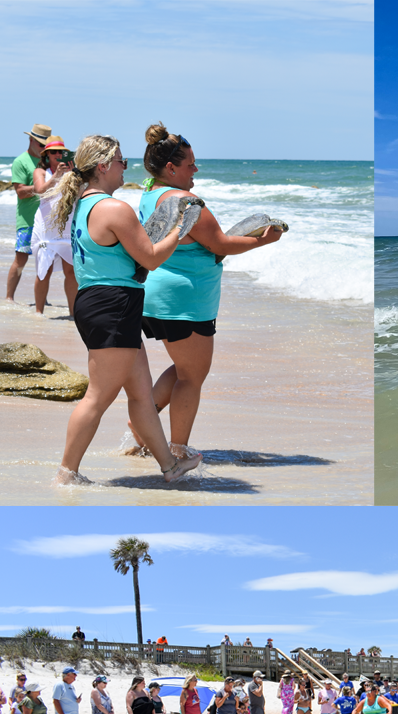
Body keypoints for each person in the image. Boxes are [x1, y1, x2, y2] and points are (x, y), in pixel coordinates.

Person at [46, 134, 202, 486]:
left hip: (102, 302)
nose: (125, 167)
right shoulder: (114, 208)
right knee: (98, 397)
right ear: (102, 166)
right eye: (120, 161)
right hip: (113, 305)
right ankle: (66, 475)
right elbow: (150, 257)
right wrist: (180, 228)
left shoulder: (83, 205)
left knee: (141, 394)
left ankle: (170, 466)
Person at [125, 124, 283, 457]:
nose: (196, 169)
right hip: (184, 301)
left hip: (154, 294)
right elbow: (220, 243)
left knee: (185, 368)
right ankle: (178, 450)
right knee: (192, 376)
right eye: (190, 164)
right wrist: (263, 239)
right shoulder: (185, 201)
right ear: (171, 168)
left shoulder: (151, 191)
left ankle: (143, 423)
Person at [32, 136, 77, 316]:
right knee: (44, 270)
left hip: (66, 224)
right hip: (46, 226)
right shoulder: (40, 172)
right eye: (53, 151)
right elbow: (39, 190)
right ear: (47, 155)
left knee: (71, 271)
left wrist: (76, 175)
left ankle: (74, 314)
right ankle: (38, 313)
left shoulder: (72, 173)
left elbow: (79, 194)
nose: (58, 154)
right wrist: (57, 176)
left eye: (61, 151)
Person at [6, 124, 50, 304]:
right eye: (41, 145)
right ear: (31, 140)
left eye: (46, 146)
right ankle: (9, 298)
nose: (43, 149)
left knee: (45, 261)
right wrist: (41, 187)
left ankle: (42, 300)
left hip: (47, 221)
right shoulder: (20, 161)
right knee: (21, 259)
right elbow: (20, 192)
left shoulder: (47, 162)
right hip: (27, 219)